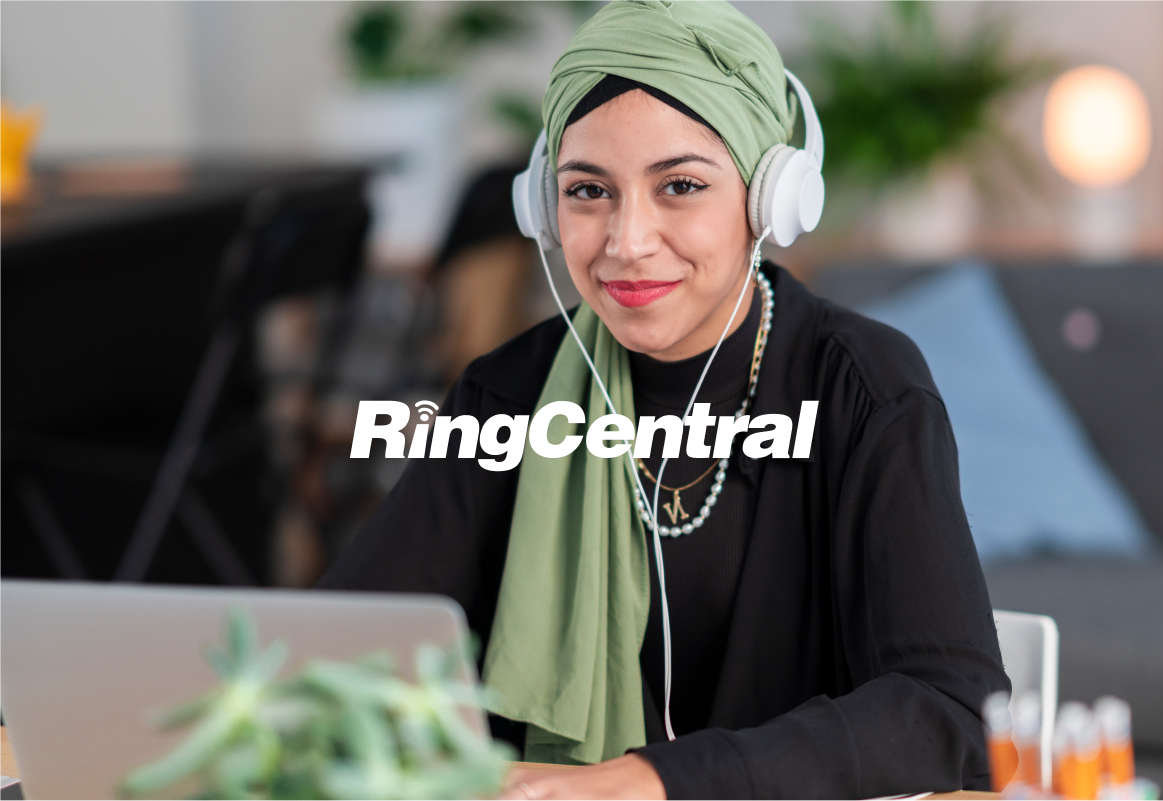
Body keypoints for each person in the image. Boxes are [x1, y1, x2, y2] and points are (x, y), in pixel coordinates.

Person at [319, 0, 1010, 798]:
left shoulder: (863, 385)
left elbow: (954, 712)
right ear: (545, 208)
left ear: (768, 198)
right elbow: (337, 662)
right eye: (588, 191)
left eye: (678, 185)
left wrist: (656, 779)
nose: (627, 240)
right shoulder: (505, 397)